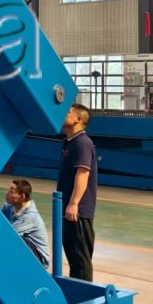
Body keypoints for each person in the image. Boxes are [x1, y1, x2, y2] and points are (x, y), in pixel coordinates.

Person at [57, 102, 98, 281]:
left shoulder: (82, 143)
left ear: (78, 119)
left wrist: (74, 204)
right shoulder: (69, 142)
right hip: (67, 209)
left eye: (68, 112)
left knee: (81, 261)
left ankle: (84, 294)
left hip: (78, 212)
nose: (63, 114)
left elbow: (83, 173)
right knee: (74, 259)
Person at [1, 178, 50, 267]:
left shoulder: (30, 216)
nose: (7, 193)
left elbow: (9, 235)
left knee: (15, 239)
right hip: (26, 253)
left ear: (22, 196)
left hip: (39, 258)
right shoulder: (9, 207)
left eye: (12, 192)